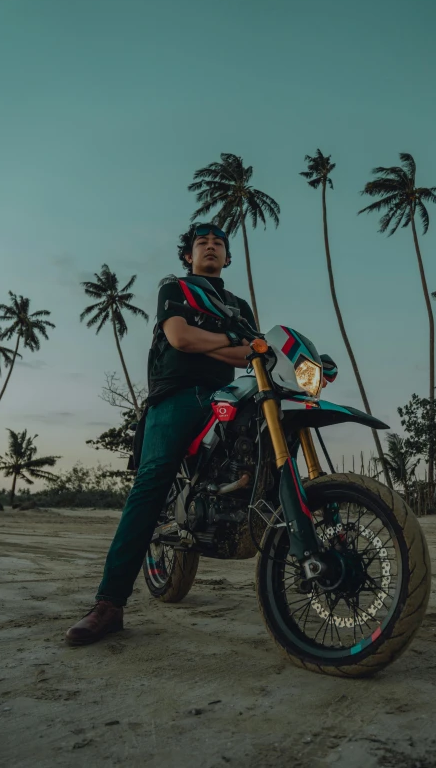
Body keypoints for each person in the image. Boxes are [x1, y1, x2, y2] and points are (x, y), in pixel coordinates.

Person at [66, 223, 257, 646]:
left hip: (226, 395)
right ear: (188, 256)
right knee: (151, 484)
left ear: (228, 257)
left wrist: (219, 343)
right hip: (176, 393)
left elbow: (250, 353)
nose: (210, 247)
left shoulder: (239, 304)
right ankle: (109, 604)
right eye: (201, 243)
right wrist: (226, 340)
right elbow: (179, 337)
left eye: (218, 243)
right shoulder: (177, 288)